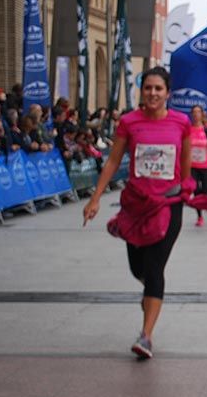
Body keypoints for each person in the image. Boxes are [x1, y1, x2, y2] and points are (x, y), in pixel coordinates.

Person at [82, 67, 193, 360]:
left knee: (155, 268)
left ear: (168, 93)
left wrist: (184, 190)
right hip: (136, 205)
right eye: (148, 88)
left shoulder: (181, 122)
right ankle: (151, 293)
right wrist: (95, 199)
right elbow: (112, 161)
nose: (153, 93)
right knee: (138, 268)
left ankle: (146, 336)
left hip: (167, 205)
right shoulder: (129, 122)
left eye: (158, 88)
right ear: (141, 91)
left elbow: (185, 163)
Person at [188, 106, 207, 228]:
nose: (196, 115)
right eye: (194, 112)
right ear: (191, 115)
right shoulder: (188, 129)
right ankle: (199, 216)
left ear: (201, 114)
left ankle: (206, 202)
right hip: (192, 166)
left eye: (198, 112)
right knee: (196, 190)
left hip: (206, 165)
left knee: (205, 190)